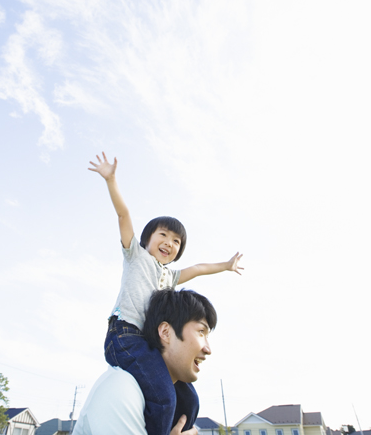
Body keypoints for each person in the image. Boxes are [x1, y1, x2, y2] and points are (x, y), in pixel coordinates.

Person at [88, 152, 243, 435]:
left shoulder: (169, 277)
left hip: (149, 343)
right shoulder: (135, 256)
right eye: (163, 235)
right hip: (124, 337)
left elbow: (198, 268)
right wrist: (111, 180)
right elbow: (123, 215)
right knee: (163, 395)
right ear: (147, 238)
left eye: (176, 241)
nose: (169, 243)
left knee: (189, 400)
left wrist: (226, 265)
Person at [72, 289, 217, 435]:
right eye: (201, 332)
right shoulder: (122, 388)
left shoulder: (177, 401)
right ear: (165, 332)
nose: (208, 349)